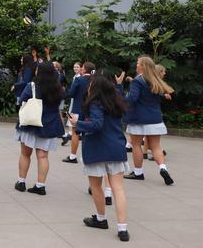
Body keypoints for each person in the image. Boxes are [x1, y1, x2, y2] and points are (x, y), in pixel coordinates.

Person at [68, 74, 130, 242]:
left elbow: (96, 124)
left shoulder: (95, 103)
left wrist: (76, 123)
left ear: (95, 87)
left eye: (90, 84)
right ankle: (122, 228)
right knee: (118, 189)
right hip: (116, 148)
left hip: (96, 149)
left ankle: (101, 219)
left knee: (96, 187)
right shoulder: (116, 102)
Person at [121, 56, 174, 185]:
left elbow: (132, 99)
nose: (136, 65)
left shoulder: (137, 81)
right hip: (155, 118)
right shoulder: (155, 80)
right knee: (156, 146)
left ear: (143, 66)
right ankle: (163, 168)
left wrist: (121, 95)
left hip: (138, 118)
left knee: (136, 145)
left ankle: (138, 173)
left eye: (138, 63)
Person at [15, 62, 65, 195]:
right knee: (43, 156)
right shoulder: (58, 88)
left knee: (25, 153)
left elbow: (22, 101)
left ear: (39, 72)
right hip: (49, 125)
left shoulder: (32, 86)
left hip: (31, 123)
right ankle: (40, 185)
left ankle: (21, 182)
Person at [63, 62, 95, 163]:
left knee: (75, 133)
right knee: (87, 133)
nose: (81, 69)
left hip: (77, 108)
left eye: (82, 68)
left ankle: (73, 156)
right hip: (91, 110)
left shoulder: (78, 79)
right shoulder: (95, 80)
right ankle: (87, 156)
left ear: (85, 69)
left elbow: (71, 93)